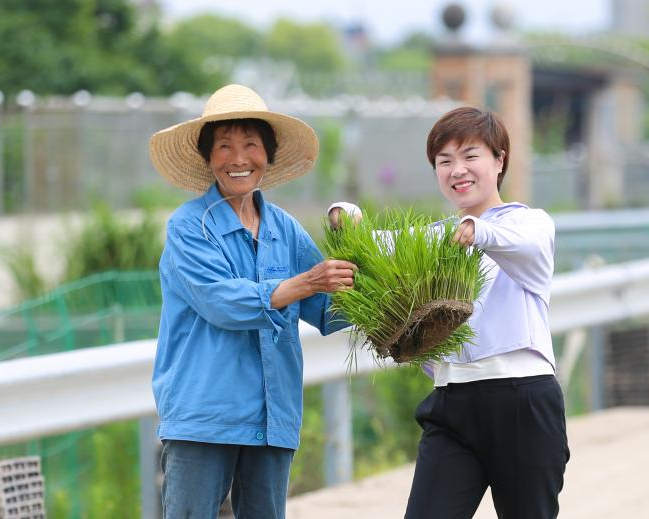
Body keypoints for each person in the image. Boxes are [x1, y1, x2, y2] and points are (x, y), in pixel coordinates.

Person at [329, 106, 569, 518]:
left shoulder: (530, 224)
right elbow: (377, 242)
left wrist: (479, 230)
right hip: (451, 403)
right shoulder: (438, 237)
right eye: (444, 161)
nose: (457, 169)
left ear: (499, 160)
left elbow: (521, 242)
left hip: (522, 402)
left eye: (470, 156)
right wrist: (342, 216)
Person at [149, 84, 357, 519]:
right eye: (224, 146)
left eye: (250, 145)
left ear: (269, 155)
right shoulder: (190, 227)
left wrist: (373, 274)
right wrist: (305, 283)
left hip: (272, 416)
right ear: (209, 158)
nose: (238, 158)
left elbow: (331, 310)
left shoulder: (285, 229)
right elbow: (223, 303)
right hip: (205, 416)